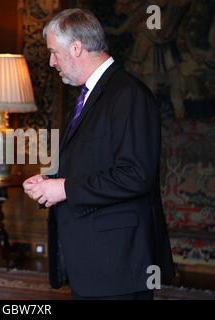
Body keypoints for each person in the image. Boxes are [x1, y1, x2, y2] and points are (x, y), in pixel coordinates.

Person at [23, 9, 175, 300]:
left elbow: (136, 175)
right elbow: (96, 162)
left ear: (76, 47)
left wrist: (64, 188)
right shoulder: (91, 94)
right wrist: (50, 183)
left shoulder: (128, 94)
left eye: (54, 52)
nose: (52, 61)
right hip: (96, 263)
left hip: (117, 265)